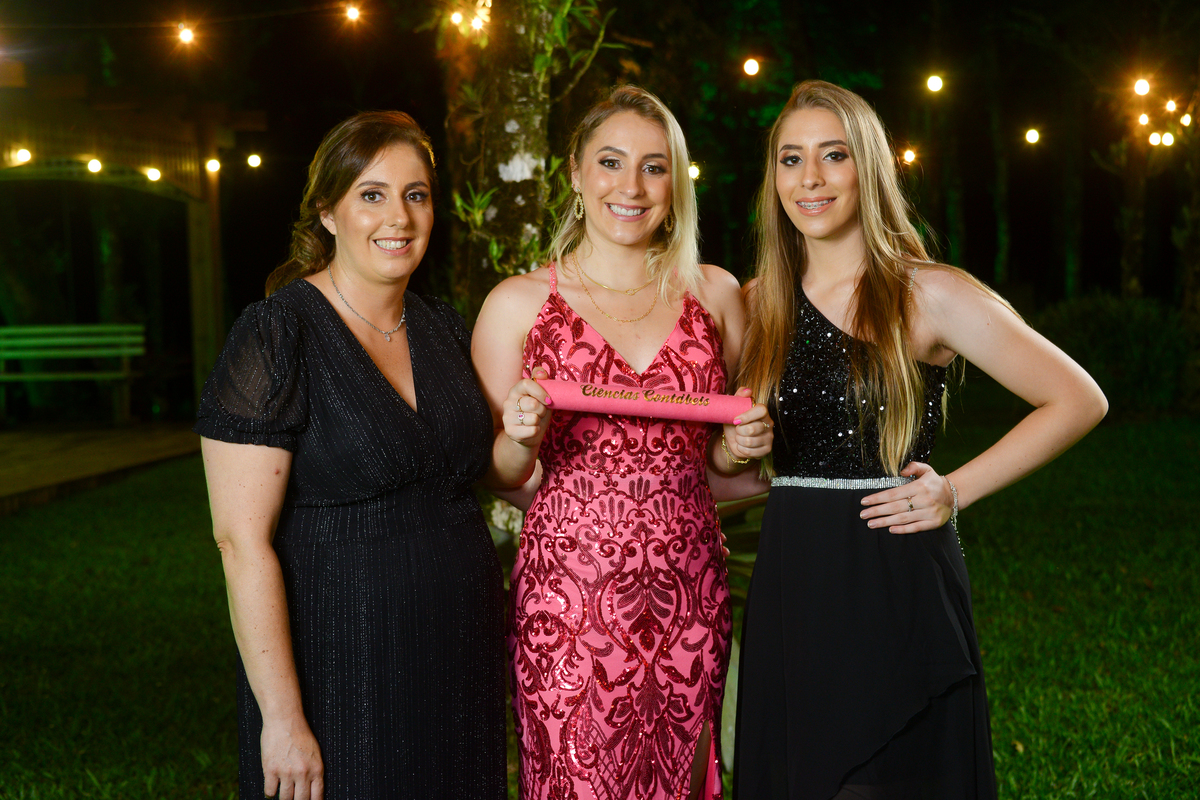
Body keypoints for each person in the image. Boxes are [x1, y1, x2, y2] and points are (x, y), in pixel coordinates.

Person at [732, 80, 1108, 799]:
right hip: (793, 580)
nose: (810, 178)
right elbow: (730, 462)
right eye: (790, 158)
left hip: (893, 574)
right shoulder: (758, 303)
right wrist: (735, 445)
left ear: (868, 168)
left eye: (833, 155)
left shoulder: (926, 292)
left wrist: (954, 490)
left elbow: (1077, 399)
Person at [472, 85, 773, 799]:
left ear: (676, 183)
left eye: (654, 167)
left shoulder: (715, 295)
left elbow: (717, 460)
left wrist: (743, 443)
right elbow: (500, 474)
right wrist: (521, 436)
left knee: (682, 777)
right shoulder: (517, 304)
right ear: (576, 174)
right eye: (610, 162)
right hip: (568, 597)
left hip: (689, 589)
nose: (631, 187)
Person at [195, 111, 507, 800]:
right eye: (372, 194)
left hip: (459, 661)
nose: (399, 216)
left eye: (416, 195)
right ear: (328, 212)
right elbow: (240, 542)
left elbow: (489, 470)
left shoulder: (442, 325)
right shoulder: (277, 334)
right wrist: (282, 719)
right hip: (341, 665)